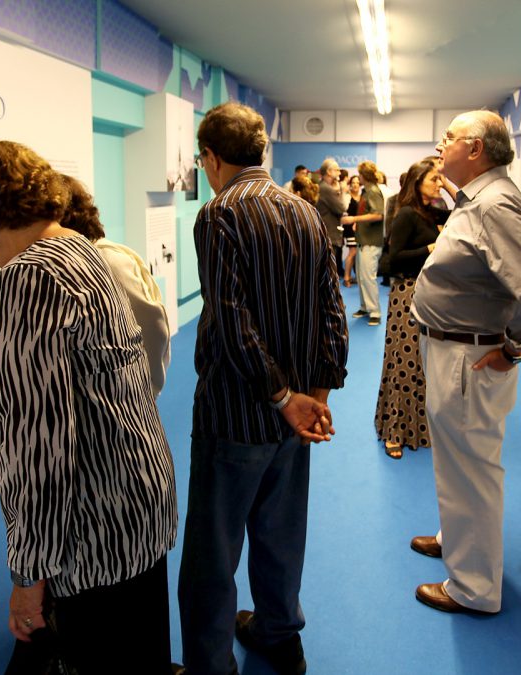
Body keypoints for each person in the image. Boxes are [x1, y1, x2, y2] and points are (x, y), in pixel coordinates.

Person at [0, 137, 177, 674]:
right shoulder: (81, 252)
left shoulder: (28, 279)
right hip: (137, 506)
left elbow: (42, 448)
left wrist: (29, 579)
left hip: (91, 528)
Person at [178, 102, 348, 675]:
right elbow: (333, 311)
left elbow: (230, 320)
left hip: (236, 415)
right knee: (281, 534)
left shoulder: (218, 214)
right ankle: (278, 633)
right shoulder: (305, 212)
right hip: (295, 420)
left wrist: (279, 396)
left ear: (211, 158)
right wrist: (315, 397)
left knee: (212, 552)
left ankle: (209, 665)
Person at [409, 110, 521, 615]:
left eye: (449, 137)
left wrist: (515, 347)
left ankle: (473, 589)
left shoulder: (492, 205)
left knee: (471, 467)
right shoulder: (481, 197)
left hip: (468, 356)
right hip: (455, 348)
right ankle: (457, 539)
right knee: (457, 461)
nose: (440, 144)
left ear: (475, 149)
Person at [57, 174, 172, 395]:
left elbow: (151, 327)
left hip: (122, 398)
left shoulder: (109, 260)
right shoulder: (71, 264)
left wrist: (146, 389)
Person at [374, 159, 449, 459]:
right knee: (404, 363)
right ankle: (395, 431)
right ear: (417, 183)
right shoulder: (405, 214)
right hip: (407, 295)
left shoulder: (431, 213)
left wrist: (449, 183)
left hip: (430, 295)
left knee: (424, 364)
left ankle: (419, 426)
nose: (438, 184)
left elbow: (464, 207)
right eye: (434, 179)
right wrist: (430, 248)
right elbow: (393, 260)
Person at [340, 160, 384, 326]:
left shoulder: (373, 191)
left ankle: (375, 312)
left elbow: (378, 214)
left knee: (368, 277)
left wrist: (354, 218)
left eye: (360, 174)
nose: (358, 177)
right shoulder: (367, 191)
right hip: (364, 240)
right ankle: (365, 307)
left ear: (364, 175)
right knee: (362, 277)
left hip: (371, 242)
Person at [315, 159, 346, 278]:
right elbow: (341, 208)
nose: (339, 172)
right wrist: (340, 190)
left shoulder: (322, 187)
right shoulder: (326, 189)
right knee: (330, 274)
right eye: (337, 169)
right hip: (329, 235)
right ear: (328, 172)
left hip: (327, 233)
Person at [342, 175, 362, 286]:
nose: (355, 184)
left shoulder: (362, 197)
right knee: (352, 252)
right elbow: (343, 211)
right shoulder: (347, 197)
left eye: (357, 182)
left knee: (356, 253)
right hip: (350, 228)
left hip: (360, 228)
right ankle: (346, 278)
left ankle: (351, 276)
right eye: (353, 182)